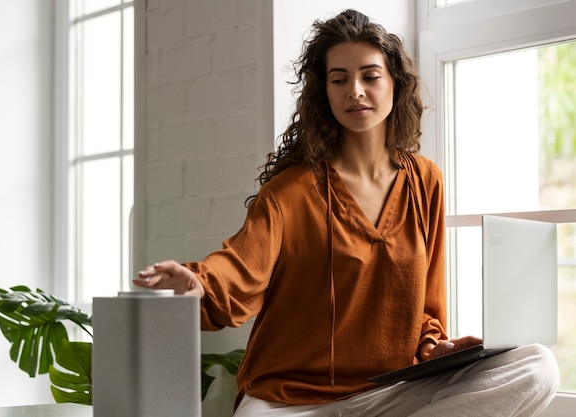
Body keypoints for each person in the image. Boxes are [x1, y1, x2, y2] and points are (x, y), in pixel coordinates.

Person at [134, 9, 559, 416]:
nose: (355, 91)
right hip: (288, 399)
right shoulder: (290, 190)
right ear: (325, 93)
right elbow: (240, 268)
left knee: (537, 367)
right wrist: (200, 285)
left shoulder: (425, 181)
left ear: (395, 83)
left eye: (370, 76)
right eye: (340, 79)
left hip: (390, 394)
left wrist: (434, 346)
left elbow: (427, 305)